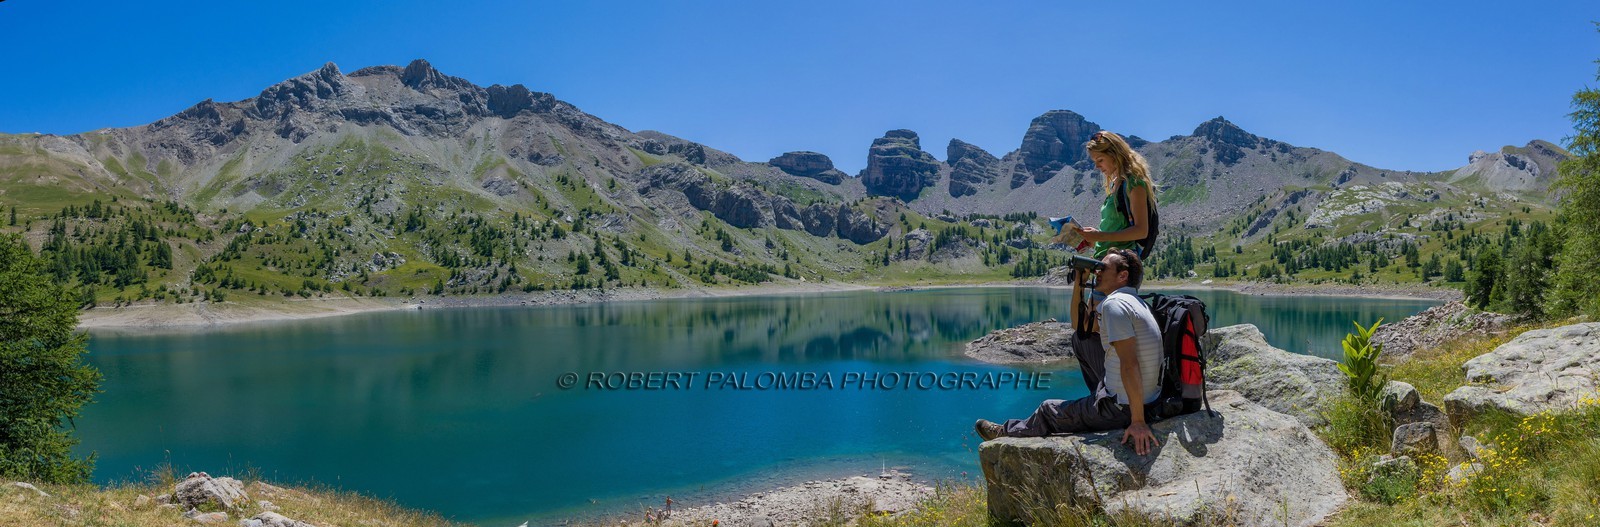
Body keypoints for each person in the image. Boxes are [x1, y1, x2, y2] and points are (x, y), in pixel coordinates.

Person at [974, 248, 1164, 455]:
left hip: (1121, 408)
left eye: (1103, 268)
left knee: (1048, 409)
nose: (1097, 272)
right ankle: (1096, 402)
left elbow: (1130, 363)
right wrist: (1079, 284)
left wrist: (1138, 422)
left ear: (1123, 275)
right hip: (1148, 399)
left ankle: (1005, 432)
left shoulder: (1114, 306)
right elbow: (1080, 328)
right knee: (1081, 340)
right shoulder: (1137, 303)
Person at [1052, 131, 1157, 259]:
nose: (1096, 166)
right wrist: (1094, 239)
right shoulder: (1115, 184)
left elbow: (1141, 231)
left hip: (1120, 264)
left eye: (1100, 160)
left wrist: (1099, 236)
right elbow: (1116, 229)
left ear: (1115, 155)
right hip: (1105, 261)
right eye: (1094, 161)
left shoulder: (1134, 183)